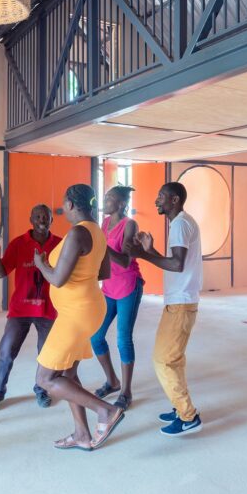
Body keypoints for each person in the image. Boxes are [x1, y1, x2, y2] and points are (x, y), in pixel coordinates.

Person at [33, 184, 125, 451]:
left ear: (71, 205)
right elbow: (103, 272)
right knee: (69, 374)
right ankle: (82, 434)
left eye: (64, 205)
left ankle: (105, 411)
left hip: (76, 314)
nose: (63, 210)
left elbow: (58, 279)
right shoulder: (98, 231)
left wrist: (42, 265)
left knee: (45, 379)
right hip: (89, 308)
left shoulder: (77, 233)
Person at [129, 181, 204, 437]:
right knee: (174, 360)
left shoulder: (181, 224)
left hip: (181, 302)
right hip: (178, 301)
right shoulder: (179, 223)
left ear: (174, 200)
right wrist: (151, 251)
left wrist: (142, 254)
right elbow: (173, 261)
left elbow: (177, 265)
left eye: (161, 196)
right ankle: (179, 406)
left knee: (163, 360)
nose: (156, 200)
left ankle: (188, 417)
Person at [0, 204, 61, 410]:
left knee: (46, 355)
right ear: (31, 219)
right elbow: (1, 273)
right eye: (37, 216)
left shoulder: (60, 245)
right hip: (20, 310)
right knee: (6, 351)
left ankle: (41, 389)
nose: (42, 219)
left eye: (46, 216)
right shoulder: (18, 243)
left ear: (52, 220)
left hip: (48, 310)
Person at [90, 186, 143, 410]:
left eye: (110, 198)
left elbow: (124, 261)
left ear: (121, 204)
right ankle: (112, 381)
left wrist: (102, 246)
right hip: (109, 287)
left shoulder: (129, 225)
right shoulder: (103, 224)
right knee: (96, 337)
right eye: (105, 197)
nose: (105, 201)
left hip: (129, 285)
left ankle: (126, 391)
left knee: (123, 339)